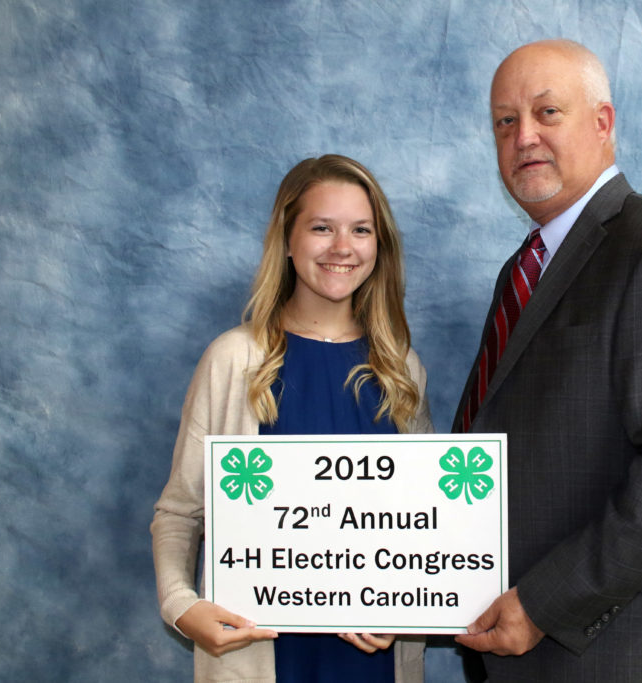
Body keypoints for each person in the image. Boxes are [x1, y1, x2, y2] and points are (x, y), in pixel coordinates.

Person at [452, 40, 642, 681]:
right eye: (505, 121)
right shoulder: (522, 270)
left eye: (547, 112)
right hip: (514, 648)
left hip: (615, 655)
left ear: (602, 123)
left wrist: (544, 604)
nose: (523, 136)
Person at [151, 154, 432, 682]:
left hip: (374, 665)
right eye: (321, 227)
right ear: (287, 238)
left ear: (380, 245)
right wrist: (181, 606)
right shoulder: (233, 361)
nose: (342, 247)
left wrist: (409, 606)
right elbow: (179, 512)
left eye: (361, 230)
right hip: (261, 660)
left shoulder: (402, 369)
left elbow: (424, 530)